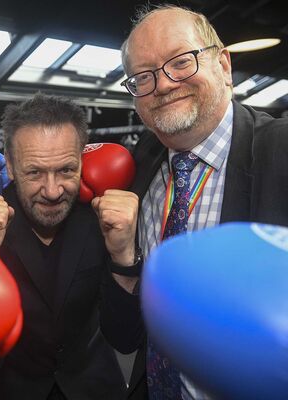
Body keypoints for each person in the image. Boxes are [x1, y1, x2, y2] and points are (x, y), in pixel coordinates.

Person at [100, 3, 288, 400]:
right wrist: (123, 260)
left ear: (223, 65)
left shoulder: (281, 150)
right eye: (143, 76)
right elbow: (125, 335)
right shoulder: (139, 167)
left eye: (181, 62)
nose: (164, 84)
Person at [0, 93, 133, 400]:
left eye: (66, 170)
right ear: (11, 167)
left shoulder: (101, 219)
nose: (53, 191)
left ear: (82, 162)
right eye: (35, 172)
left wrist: (123, 255)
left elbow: (126, 338)